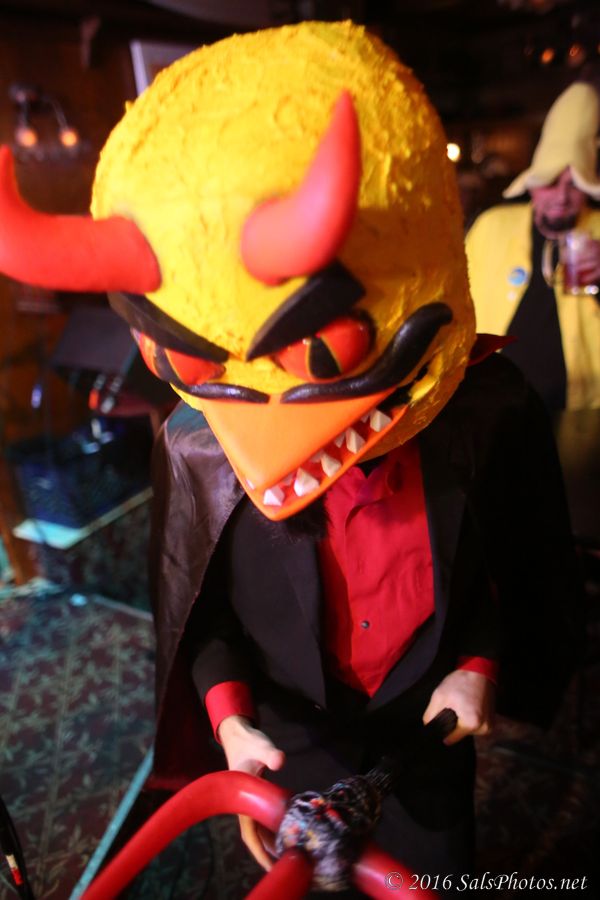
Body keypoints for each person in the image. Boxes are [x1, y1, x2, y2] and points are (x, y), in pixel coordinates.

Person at [0, 21, 582, 896]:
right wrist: (232, 725)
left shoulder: (479, 423)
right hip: (291, 738)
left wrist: (476, 668)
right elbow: (204, 620)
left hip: (429, 733)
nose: (264, 437)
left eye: (324, 351)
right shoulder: (201, 450)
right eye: (186, 361)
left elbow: (495, 574)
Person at [465, 81, 600, 412]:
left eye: (574, 184)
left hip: (580, 411)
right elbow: (454, 301)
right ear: (533, 183)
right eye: (551, 182)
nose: (562, 196)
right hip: (491, 403)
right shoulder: (492, 225)